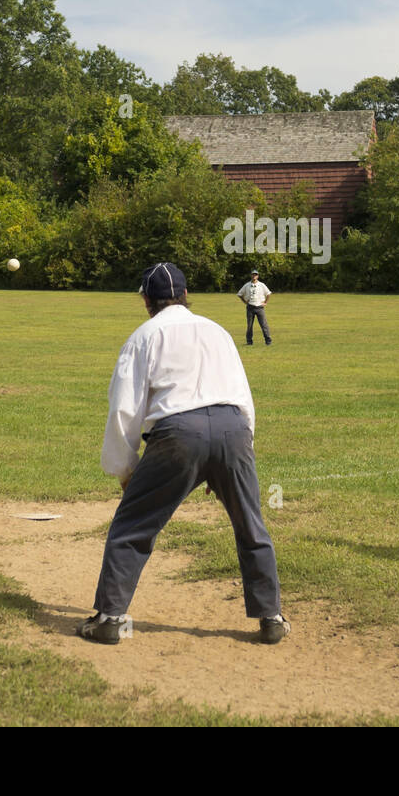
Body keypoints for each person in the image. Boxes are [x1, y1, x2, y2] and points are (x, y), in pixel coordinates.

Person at [80, 261, 288, 645]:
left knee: (132, 527)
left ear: (146, 300)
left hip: (178, 435)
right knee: (250, 525)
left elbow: (124, 408)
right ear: (186, 295)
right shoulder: (218, 332)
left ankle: (110, 617)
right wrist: (231, 462)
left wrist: (126, 468)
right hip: (233, 429)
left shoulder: (143, 337)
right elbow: (243, 396)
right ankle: (271, 616)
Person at [237, 269, 272, 346]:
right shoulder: (247, 285)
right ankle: (249, 342)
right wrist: (245, 301)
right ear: (251, 275)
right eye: (253, 274)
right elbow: (240, 294)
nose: (254, 276)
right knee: (249, 325)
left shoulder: (262, 285)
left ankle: (268, 341)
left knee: (264, 324)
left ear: (258, 276)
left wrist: (265, 302)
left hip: (259, 307)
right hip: (250, 307)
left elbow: (268, 293)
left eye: (255, 275)